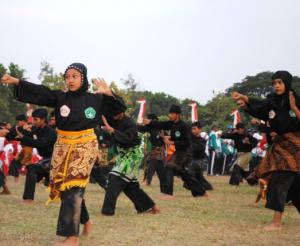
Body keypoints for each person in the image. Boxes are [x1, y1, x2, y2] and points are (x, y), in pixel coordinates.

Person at [1, 62, 125, 246]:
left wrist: (110, 94)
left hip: (85, 146)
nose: (70, 80)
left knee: (74, 187)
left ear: (82, 78)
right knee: (65, 188)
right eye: (67, 77)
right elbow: (40, 92)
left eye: (74, 76)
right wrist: (18, 82)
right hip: (63, 147)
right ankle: (87, 222)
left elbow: (118, 111)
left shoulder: (96, 99)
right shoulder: (60, 97)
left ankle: (71, 237)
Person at [232, 71, 300, 231]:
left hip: (295, 146)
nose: (276, 85)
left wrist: (294, 107)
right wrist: (245, 98)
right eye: (274, 83)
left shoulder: (296, 99)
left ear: (287, 83)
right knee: (295, 186)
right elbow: (261, 107)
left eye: (279, 82)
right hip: (279, 145)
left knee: (279, 180)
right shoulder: (273, 101)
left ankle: (276, 223)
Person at [101, 108, 160, 216]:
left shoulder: (130, 124)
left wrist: (112, 130)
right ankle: (149, 207)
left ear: (122, 112)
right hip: (124, 154)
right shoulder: (113, 119)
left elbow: (127, 139)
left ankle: (107, 212)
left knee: (114, 178)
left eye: (116, 112)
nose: (113, 115)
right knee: (130, 186)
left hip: (133, 153)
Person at [144, 105, 207, 198]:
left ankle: (168, 194)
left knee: (169, 167)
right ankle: (202, 192)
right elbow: (161, 124)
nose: (169, 115)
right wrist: (150, 122)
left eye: (172, 114)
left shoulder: (184, 126)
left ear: (177, 115)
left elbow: (187, 142)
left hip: (186, 153)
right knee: (184, 174)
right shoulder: (171, 124)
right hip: (178, 152)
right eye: (169, 113)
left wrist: (171, 141)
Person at [15, 108, 57, 204]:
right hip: (46, 161)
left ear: (43, 120)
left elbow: (40, 144)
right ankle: (28, 198)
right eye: (33, 119)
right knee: (33, 170)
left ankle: (29, 199)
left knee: (33, 169)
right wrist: (17, 134)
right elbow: (26, 135)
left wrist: (24, 138)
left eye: (36, 119)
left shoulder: (50, 132)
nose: (33, 122)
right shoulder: (36, 129)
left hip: (55, 161)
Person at [138, 113, 166, 187]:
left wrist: (163, 137)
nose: (147, 121)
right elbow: (139, 127)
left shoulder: (160, 129)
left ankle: (149, 182)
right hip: (154, 150)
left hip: (160, 151)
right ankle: (161, 181)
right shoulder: (148, 128)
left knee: (153, 166)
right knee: (157, 166)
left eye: (149, 119)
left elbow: (168, 137)